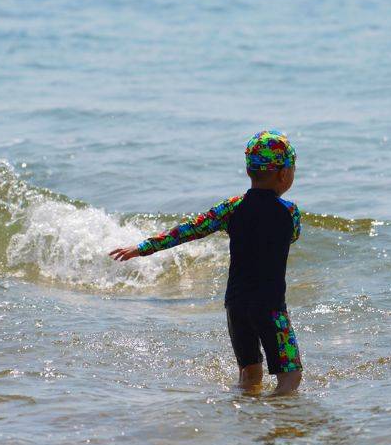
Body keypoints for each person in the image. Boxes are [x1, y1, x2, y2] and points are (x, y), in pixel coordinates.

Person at [110, 130, 304, 396]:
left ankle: (248, 421)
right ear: (284, 174)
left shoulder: (231, 208)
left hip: (236, 306)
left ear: (250, 170)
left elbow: (189, 229)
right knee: (290, 376)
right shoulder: (289, 211)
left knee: (249, 377)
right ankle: (278, 420)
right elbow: (292, 237)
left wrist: (143, 248)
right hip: (271, 309)